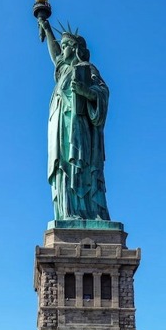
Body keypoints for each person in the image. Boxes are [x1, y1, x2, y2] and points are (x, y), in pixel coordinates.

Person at [37, 18, 111, 222]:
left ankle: (88, 211)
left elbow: (103, 91)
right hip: (61, 126)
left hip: (78, 127)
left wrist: (85, 91)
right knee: (62, 166)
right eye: (61, 47)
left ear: (75, 48)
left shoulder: (86, 68)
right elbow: (56, 57)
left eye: (65, 46)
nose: (61, 51)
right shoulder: (63, 71)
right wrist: (46, 27)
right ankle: (67, 211)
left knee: (79, 165)